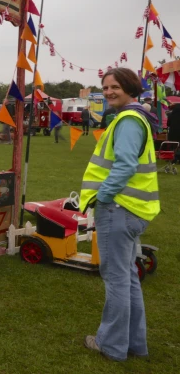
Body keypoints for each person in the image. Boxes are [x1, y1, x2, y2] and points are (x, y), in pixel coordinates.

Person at [79, 67, 159, 362]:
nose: (109, 92)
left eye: (115, 87)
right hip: (132, 210)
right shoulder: (136, 117)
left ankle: (111, 345)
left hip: (118, 209)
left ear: (130, 88)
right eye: (105, 87)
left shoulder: (127, 120)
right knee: (127, 278)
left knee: (116, 279)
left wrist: (103, 196)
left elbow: (124, 166)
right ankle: (135, 344)